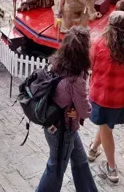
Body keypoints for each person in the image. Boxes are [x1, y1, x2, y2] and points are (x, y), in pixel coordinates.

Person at [35, 27, 98, 192]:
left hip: (58, 125)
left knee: (80, 161)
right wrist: (81, 110)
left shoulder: (57, 64)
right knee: (55, 169)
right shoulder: (76, 81)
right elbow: (85, 111)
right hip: (63, 130)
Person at [87, 11, 124, 183]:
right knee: (105, 126)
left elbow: (90, 65)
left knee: (106, 128)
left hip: (103, 96)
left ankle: (111, 167)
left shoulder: (98, 44)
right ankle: (94, 149)